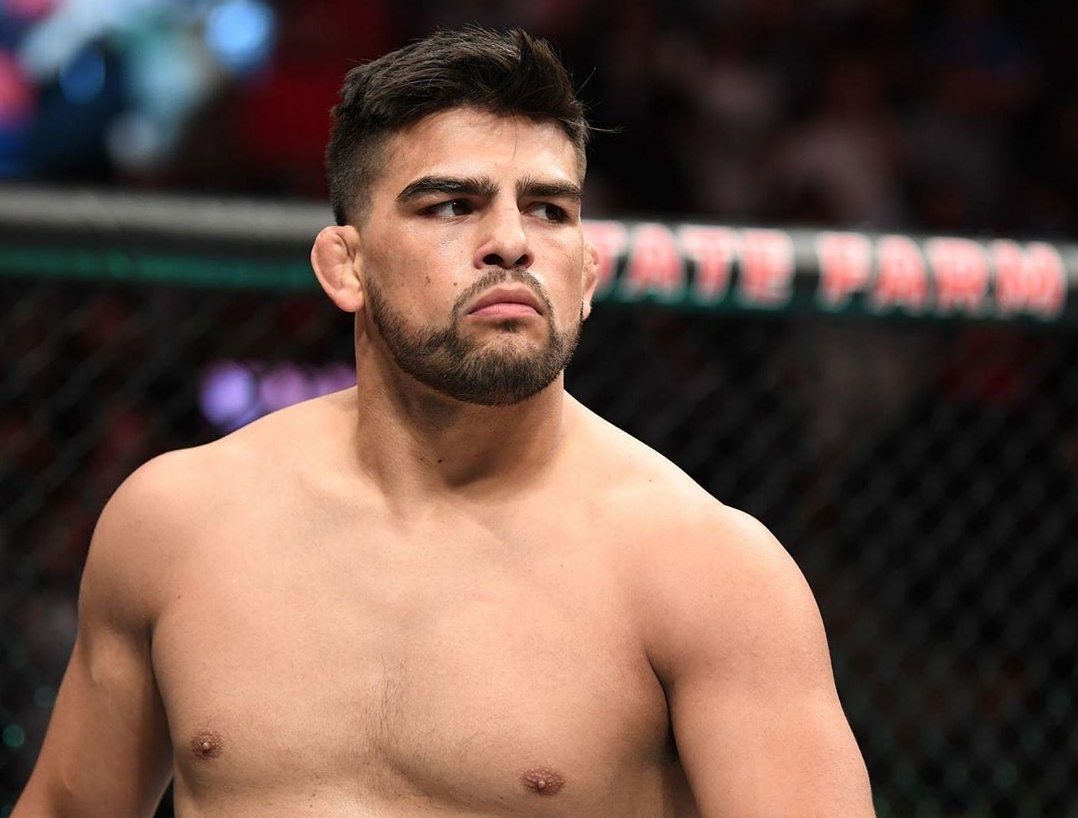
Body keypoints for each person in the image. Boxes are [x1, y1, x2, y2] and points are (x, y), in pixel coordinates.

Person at [13, 27, 876, 818]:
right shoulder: (176, 523)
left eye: (549, 209)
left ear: (586, 276)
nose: (512, 242)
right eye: (452, 205)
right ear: (345, 267)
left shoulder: (707, 574)